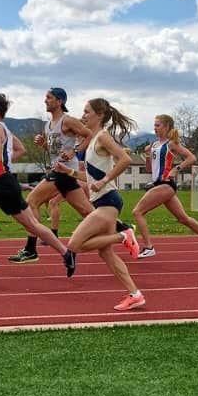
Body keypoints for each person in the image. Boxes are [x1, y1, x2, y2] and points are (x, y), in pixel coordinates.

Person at [0, 93, 76, 278]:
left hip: (4, 185)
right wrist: (5, 162)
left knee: (32, 226)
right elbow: (20, 150)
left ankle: (66, 252)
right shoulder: (4, 129)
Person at [54, 98, 144, 310]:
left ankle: (125, 234)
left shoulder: (103, 136)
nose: (83, 115)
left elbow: (125, 159)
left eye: (87, 112)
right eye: (83, 112)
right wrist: (69, 172)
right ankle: (135, 294)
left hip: (108, 201)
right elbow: (92, 177)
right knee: (106, 253)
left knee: (74, 246)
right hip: (102, 201)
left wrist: (105, 180)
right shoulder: (93, 140)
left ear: (99, 115)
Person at [8, 88, 95, 263]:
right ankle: (122, 229)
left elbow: (89, 135)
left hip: (63, 172)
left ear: (60, 101)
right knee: (87, 211)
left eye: (49, 97)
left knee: (32, 201)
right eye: (45, 97)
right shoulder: (48, 125)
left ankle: (31, 249)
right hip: (60, 171)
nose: (45, 100)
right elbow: (54, 151)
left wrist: (75, 151)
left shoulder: (67, 121)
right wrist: (43, 145)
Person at [132, 114, 198, 259]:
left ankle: (149, 247)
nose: (155, 128)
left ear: (166, 127)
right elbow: (149, 169)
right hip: (159, 184)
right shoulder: (154, 145)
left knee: (138, 212)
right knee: (183, 219)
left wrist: (176, 169)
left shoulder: (171, 144)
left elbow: (192, 157)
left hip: (166, 184)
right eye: (154, 125)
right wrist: (148, 155)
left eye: (158, 125)